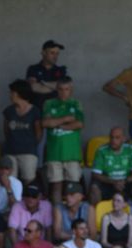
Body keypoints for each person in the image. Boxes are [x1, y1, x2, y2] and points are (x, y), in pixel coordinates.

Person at [42, 77, 86, 207]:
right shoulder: (49, 103)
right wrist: (66, 119)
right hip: (54, 152)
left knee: (73, 187)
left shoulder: (76, 103)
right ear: (57, 89)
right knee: (56, 186)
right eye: (60, 89)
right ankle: (57, 214)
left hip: (72, 153)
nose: (63, 92)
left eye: (66, 89)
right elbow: (45, 123)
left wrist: (57, 124)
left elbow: (79, 124)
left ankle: (74, 217)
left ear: (71, 90)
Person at [2, 80, 43, 186]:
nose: (10, 95)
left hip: (28, 152)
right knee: (11, 181)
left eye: (12, 92)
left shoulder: (35, 111)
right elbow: (6, 131)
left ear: (18, 93)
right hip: (10, 151)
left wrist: (31, 144)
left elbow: (38, 133)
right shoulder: (9, 111)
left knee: (29, 180)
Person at [91, 126, 132, 203]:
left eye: (117, 138)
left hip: (125, 183)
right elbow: (95, 174)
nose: (113, 140)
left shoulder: (130, 149)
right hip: (108, 183)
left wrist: (124, 181)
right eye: (111, 137)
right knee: (94, 187)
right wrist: (113, 182)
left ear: (123, 139)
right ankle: (95, 213)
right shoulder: (101, 151)